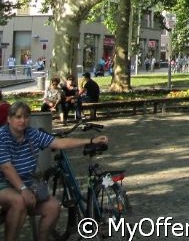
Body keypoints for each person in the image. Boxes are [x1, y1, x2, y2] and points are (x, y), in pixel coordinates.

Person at [0, 101, 109, 241]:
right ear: (9, 119)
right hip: (4, 184)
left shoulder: (32, 134)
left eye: (26, 117)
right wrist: (23, 189)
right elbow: (6, 167)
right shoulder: (2, 137)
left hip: (27, 185)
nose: (22, 120)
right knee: (19, 201)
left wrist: (91, 140)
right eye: (18, 117)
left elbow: (59, 143)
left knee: (53, 207)